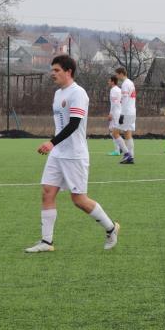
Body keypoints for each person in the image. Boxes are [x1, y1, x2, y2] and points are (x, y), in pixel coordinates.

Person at [26, 55, 120, 252]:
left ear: (68, 71)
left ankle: (111, 228)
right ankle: (46, 242)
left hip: (74, 154)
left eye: (57, 70)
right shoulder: (58, 94)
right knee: (47, 192)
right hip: (58, 153)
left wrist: (51, 142)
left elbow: (74, 124)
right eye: (52, 70)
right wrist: (55, 146)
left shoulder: (78, 93)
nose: (52, 74)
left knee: (79, 200)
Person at [115, 67, 137, 164]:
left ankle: (127, 154)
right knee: (128, 134)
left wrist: (122, 115)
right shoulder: (131, 83)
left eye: (117, 74)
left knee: (115, 133)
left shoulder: (125, 84)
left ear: (121, 74)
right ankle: (131, 157)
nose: (116, 76)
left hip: (126, 112)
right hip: (132, 111)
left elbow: (125, 100)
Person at [107, 76, 126, 156]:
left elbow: (114, 103)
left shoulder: (113, 90)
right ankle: (119, 148)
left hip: (115, 113)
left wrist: (111, 113)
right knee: (112, 130)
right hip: (119, 112)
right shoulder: (119, 90)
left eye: (109, 81)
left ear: (113, 82)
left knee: (113, 131)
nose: (108, 82)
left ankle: (118, 149)